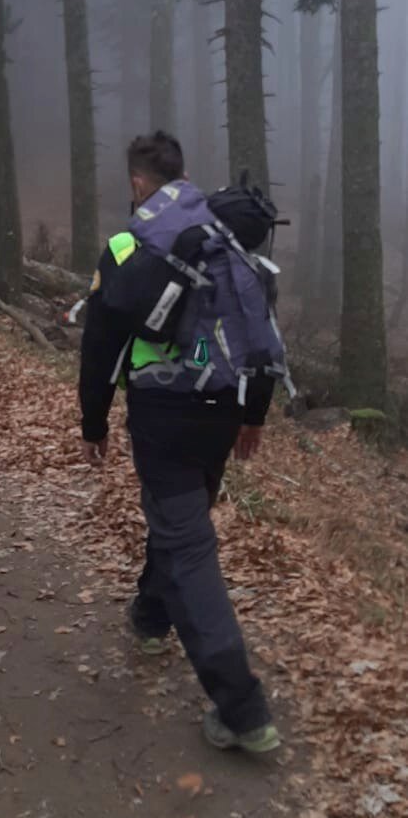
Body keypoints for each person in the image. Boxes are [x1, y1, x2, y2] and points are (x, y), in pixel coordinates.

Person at [79, 130, 281, 756]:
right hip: (223, 411)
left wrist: (94, 420)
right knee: (180, 521)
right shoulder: (231, 242)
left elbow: (102, 341)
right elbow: (256, 335)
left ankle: (242, 710)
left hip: (163, 411)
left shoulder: (126, 244)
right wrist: (253, 416)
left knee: (187, 541)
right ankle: (149, 617)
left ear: (140, 183)